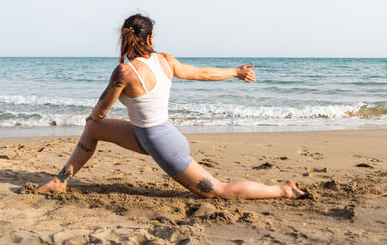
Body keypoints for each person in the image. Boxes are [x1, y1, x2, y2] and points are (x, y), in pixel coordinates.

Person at [37, 14, 305, 199]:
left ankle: (282, 190)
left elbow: (100, 111)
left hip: (162, 144)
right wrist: (234, 71)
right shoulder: (164, 60)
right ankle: (60, 181)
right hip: (150, 135)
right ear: (150, 39)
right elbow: (201, 72)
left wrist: (95, 114)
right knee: (93, 129)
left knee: (216, 190)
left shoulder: (124, 72)